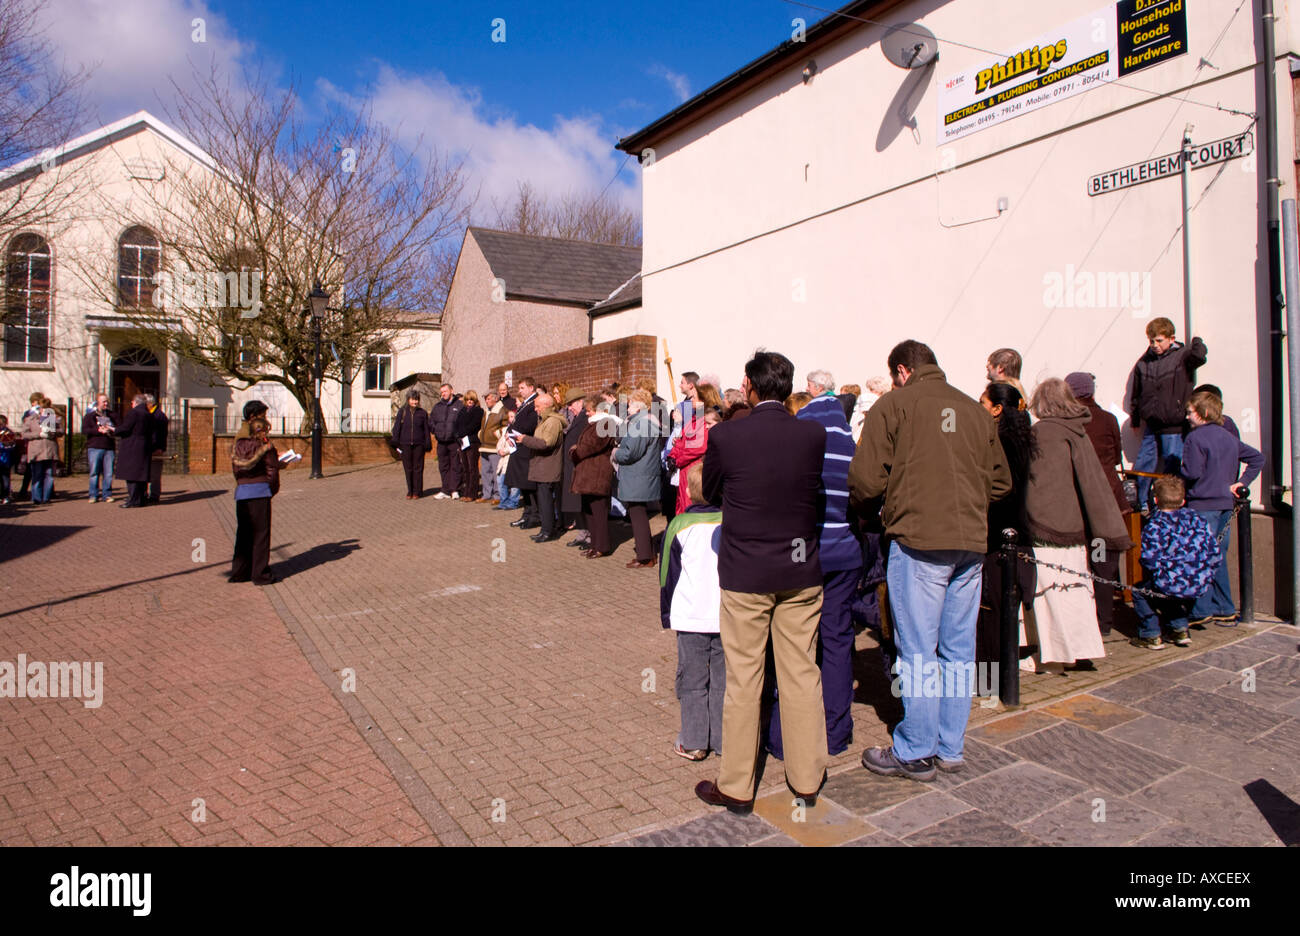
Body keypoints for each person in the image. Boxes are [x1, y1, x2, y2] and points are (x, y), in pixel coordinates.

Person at [850, 340, 1010, 781]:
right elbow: (1000, 483)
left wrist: (887, 500)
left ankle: (916, 749)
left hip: (919, 539)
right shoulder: (976, 411)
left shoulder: (895, 405)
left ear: (902, 371)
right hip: (968, 542)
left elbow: (864, 480)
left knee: (918, 648)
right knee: (958, 648)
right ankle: (949, 745)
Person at [695, 350, 828, 813]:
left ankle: (736, 785)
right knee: (801, 673)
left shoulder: (729, 435)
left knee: (745, 678)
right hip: (799, 570)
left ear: (750, 386)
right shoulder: (812, 434)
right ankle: (808, 777)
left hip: (747, 571)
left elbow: (710, 491)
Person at [769, 369, 863, 759]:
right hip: (846, 552)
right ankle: (837, 730)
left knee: (794, 643)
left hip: (808, 553)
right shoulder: (849, 443)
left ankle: (784, 735)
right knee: (839, 641)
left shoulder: (802, 440)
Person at [1023, 379, 1132, 673]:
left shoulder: (1044, 433)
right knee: (1075, 591)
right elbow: (1092, 482)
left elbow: (1040, 486)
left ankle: (1054, 657)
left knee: (1050, 594)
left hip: (1049, 527)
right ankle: (1078, 650)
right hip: (1075, 528)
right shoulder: (1076, 430)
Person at [1181, 389, 1264, 627]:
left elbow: (1192, 472)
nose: (1187, 417)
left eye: (1190, 413)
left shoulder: (1194, 438)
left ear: (1203, 413)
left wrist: (1180, 472)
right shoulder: (1228, 437)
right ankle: (1224, 607)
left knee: (1200, 557)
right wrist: (1241, 483)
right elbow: (1257, 458)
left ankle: (1201, 610)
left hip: (1203, 504)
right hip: (1225, 506)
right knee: (1215, 556)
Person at [660, 461, 725, 761]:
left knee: (693, 680)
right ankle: (727, 742)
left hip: (690, 613)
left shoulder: (678, 525)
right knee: (725, 682)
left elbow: (667, 576)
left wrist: (666, 613)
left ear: (687, 490)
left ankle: (695, 740)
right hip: (726, 613)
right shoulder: (733, 522)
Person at [974, 382, 1037, 667]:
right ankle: (998, 674)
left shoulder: (1000, 443)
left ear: (997, 409)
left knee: (993, 608)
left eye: (983, 403)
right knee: (1001, 609)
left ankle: (992, 676)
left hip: (999, 532)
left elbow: (997, 490)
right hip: (1014, 530)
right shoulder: (1020, 440)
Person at [1064, 371, 1131, 637]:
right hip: (1109, 500)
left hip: (1082, 502)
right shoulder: (1107, 419)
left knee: (1082, 562)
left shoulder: (1072, 422)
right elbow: (1116, 456)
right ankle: (1103, 622)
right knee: (1103, 559)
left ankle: (1084, 621)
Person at [1132, 476, 1219, 650]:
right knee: (1168, 590)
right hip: (1198, 580)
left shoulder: (1154, 525)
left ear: (1155, 500)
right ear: (1183, 500)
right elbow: (1214, 552)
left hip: (1171, 582)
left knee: (1140, 592)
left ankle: (1151, 634)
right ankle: (1180, 629)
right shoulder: (1197, 519)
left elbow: (1149, 559)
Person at [1129, 317, 1207, 509]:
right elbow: (1136, 392)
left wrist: (1197, 340)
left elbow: (1199, 357)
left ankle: (1171, 505)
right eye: (1151, 341)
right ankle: (1141, 504)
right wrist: (1136, 417)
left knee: (1172, 468)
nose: (1154, 345)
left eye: (1159, 340)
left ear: (1171, 339)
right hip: (1152, 424)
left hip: (1174, 425)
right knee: (1143, 466)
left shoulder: (1182, 356)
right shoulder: (1144, 362)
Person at [613, 389, 663, 569]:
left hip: (638, 476)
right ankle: (646, 553)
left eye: (630, 404)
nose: (627, 408)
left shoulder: (643, 424)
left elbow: (630, 453)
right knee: (638, 515)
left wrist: (615, 453)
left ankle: (645, 557)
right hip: (640, 475)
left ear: (639, 405)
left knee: (638, 516)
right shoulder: (643, 423)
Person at [230, 415, 280, 585]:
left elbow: (235, 471)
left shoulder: (237, 446)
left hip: (242, 492)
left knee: (243, 534)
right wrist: (271, 490)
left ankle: (239, 572)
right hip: (260, 492)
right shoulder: (265, 447)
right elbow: (272, 470)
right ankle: (260, 574)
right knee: (261, 535)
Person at [570, 394, 619, 558]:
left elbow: (589, 446)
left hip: (597, 472)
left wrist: (575, 452)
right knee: (589, 511)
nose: (587, 413)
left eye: (589, 410)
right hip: (589, 474)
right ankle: (594, 544)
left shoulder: (604, 423)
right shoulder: (596, 423)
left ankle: (602, 546)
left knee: (599, 512)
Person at [514, 392, 566, 542]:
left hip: (547, 467)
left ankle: (548, 531)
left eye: (537, 406)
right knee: (544, 501)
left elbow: (546, 443)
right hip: (541, 466)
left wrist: (525, 439)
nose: (535, 409)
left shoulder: (552, 422)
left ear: (546, 406)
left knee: (546, 501)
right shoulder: (544, 421)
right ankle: (545, 529)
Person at [505, 378, 540, 526]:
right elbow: (514, 423)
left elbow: (528, 425)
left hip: (526, 448)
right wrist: (509, 432)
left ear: (531, 388)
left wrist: (513, 431)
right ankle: (526, 514)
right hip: (518, 449)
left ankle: (534, 516)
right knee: (522, 485)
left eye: (522, 388)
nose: (519, 391)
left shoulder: (534, 404)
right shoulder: (524, 404)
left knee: (529, 485)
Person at [559, 388, 589, 543]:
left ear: (580, 402)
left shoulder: (585, 418)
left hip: (580, 466)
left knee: (581, 502)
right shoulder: (577, 418)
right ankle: (582, 532)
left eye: (571, 404)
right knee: (576, 503)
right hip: (572, 465)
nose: (569, 408)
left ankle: (588, 534)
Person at [392, 388, 432, 499]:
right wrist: (396, 443)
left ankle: (417, 491)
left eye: (416, 400)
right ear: (408, 400)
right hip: (405, 444)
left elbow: (426, 430)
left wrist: (427, 443)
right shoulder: (402, 412)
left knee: (418, 468)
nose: (415, 402)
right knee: (408, 468)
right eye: (412, 399)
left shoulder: (422, 413)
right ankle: (410, 490)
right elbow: (397, 428)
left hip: (419, 445)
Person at [114, 394, 153, 508]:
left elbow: (126, 428)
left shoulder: (134, 413)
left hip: (132, 447)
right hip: (144, 446)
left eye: (132, 402)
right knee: (140, 475)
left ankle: (133, 500)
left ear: (135, 402)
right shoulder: (149, 415)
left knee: (131, 475)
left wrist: (114, 430)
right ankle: (140, 499)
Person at [21, 401, 61, 506]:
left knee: (49, 475)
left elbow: (61, 431)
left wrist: (53, 432)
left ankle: (46, 498)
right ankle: (37, 498)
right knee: (37, 475)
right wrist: (38, 434)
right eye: (43, 408)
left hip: (50, 450)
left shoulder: (52, 419)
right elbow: (24, 434)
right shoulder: (30, 419)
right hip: (36, 451)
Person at [430, 384, 464, 499]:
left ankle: (455, 490)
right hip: (441, 442)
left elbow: (462, 423)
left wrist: (457, 435)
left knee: (455, 466)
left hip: (454, 441)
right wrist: (437, 432)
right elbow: (431, 422)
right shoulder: (437, 406)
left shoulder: (459, 405)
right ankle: (445, 490)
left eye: (445, 391)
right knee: (443, 466)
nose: (443, 393)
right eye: (442, 392)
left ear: (451, 391)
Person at [82, 393, 118, 503]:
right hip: (95, 447)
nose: (106, 404)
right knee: (94, 472)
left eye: (107, 401)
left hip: (109, 447)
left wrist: (111, 429)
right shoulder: (90, 416)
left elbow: (120, 427)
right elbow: (85, 430)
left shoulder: (113, 415)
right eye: (103, 402)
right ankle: (93, 495)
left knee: (108, 473)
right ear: (98, 403)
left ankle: (107, 494)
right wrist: (97, 431)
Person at [478, 391, 506, 505]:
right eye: (485, 399)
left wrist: (497, 434)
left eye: (489, 398)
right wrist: (480, 434)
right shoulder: (486, 411)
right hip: (484, 446)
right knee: (485, 472)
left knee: (496, 472)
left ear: (496, 399)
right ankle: (486, 494)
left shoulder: (502, 411)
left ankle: (498, 495)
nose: (486, 401)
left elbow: (506, 426)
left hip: (495, 447)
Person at [456, 390, 484, 501]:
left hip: (472, 442)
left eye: (471, 399)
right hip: (462, 442)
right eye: (467, 399)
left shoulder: (478, 411)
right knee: (465, 467)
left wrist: (463, 433)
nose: (469, 401)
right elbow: (456, 424)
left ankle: (473, 493)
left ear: (475, 400)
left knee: (473, 468)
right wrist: (457, 435)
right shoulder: (462, 411)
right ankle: (466, 491)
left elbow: (474, 425)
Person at [145, 394, 168, 504]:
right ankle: (145, 494)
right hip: (147, 448)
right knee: (146, 472)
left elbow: (162, 434)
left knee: (155, 474)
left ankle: (154, 496)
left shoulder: (159, 416)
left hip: (155, 449)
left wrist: (160, 447)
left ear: (150, 404)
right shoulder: (149, 414)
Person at [0, 415, 17, 504]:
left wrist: (2, 446)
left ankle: (5, 496)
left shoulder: (8, 433)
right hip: (3, 458)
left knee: (5, 479)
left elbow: (12, 446)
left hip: (5, 459)